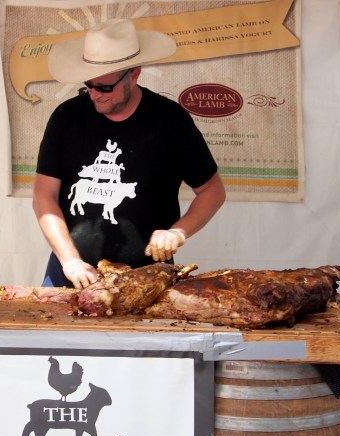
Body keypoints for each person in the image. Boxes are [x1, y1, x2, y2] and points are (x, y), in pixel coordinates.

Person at [32, 18, 227, 289]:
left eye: (105, 87)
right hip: (72, 269)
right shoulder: (66, 117)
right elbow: (44, 195)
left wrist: (177, 232)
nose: (95, 95)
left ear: (133, 74)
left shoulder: (170, 121)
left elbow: (212, 190)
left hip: (148, 274)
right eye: (89, 85)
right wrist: (69, 260)